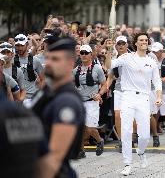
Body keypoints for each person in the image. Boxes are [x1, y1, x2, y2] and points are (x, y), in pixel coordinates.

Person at [106, 33, 162, 176]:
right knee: (126, 131)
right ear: (135, 43)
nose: (144, 42)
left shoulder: (152, 61)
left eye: (146, 40)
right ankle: (127, 163)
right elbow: (109, 66)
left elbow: (157, 81)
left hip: (144, 98)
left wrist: (159, 97)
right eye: (141, 40)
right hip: (128, 96)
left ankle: (141, 152)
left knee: (144, 136)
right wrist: (107, 51)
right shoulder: (126, 58)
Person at [30, 36, 85, 178]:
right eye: (48, 58)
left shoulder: (67, 101)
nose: (48, 63)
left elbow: (54, 157)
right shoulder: (46, 92)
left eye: (55, 59)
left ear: (70, 64)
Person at [73, 44, 106, 156]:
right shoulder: (75, 70)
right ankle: (80, 150)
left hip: (92, 102)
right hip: (79, 102)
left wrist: (99, 94)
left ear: (91, 54)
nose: (84, 55)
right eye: (82, 53)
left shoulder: (97, 68)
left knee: (90, 127)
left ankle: (100, 140)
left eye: (86, 53)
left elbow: (105, 85)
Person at [107, 35, 129, 151]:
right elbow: (110, 75)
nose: (121, 46)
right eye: (118, 44)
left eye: (123, 44)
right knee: (117, 115)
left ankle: (132, 138)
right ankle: (121, 141)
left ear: (127, 45)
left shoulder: (132, 57)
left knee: (130, 117)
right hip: (119, 90)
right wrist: (106, 87)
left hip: (130, 91)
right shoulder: (114, 58)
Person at [14, 34, 44, 106]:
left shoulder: (35, 60)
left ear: (27, 45)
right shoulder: (11, 60)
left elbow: (43, 78)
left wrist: (40, 93)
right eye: (17, 45)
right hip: (16, 98)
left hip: (31, 98)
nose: (20, 48)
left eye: (22, 45)